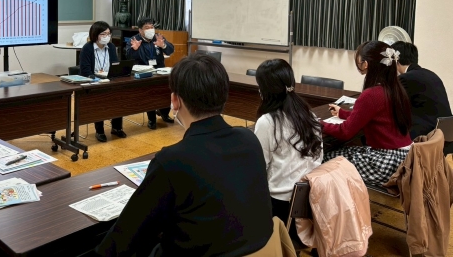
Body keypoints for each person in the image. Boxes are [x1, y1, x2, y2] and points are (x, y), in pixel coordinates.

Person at [95, 53, 273, 256]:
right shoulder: (249, 139)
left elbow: (125, 237)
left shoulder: (172, 160)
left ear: (175, 100)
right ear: (225, 95)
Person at [322, 40, 413, 185]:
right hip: (404, 157)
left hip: (385, 162)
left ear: (365, 64)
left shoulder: (371, 94)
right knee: (344, 150)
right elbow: (370, 116)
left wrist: (318, 124)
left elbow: (345, 132)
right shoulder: (395, 89)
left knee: (324, 158)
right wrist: (343, 113)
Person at [254, 59, 323, 237]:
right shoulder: (310, 115)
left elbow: (258, 168)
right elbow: (319, 157)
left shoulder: (267, 122)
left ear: (264, 90)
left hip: (280, 206)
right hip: (311, 202)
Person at [391, 41, 452, 139]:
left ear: (395, 60)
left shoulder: (405, 78)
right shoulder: (431, 74)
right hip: (445, 134)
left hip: (425, 136)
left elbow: (391, 105)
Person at [80, 21, 126, 142]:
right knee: (100, 100)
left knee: (119, 97)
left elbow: (115, 65)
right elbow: (85, 70)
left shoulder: (111, 47)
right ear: (95, 35)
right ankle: (99, 130)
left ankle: (116, 128)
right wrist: (96, 78)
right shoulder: (87, 48)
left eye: (109, 34)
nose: (107, 36)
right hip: (94, 81)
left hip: (109, 79)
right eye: (103, 34)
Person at [126, 18, 174, 130]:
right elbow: (129, 57)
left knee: (167, 89)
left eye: (152, 27)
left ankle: (164, 113)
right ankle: (152, 119)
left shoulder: (157, 37)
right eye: (147, 28)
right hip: (143, 72)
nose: (150, 30)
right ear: (140, 30)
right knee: (150, 93)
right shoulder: (134, 40)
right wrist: (134, 50)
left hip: (160, 70)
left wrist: (164, 46)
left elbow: (170, 50)